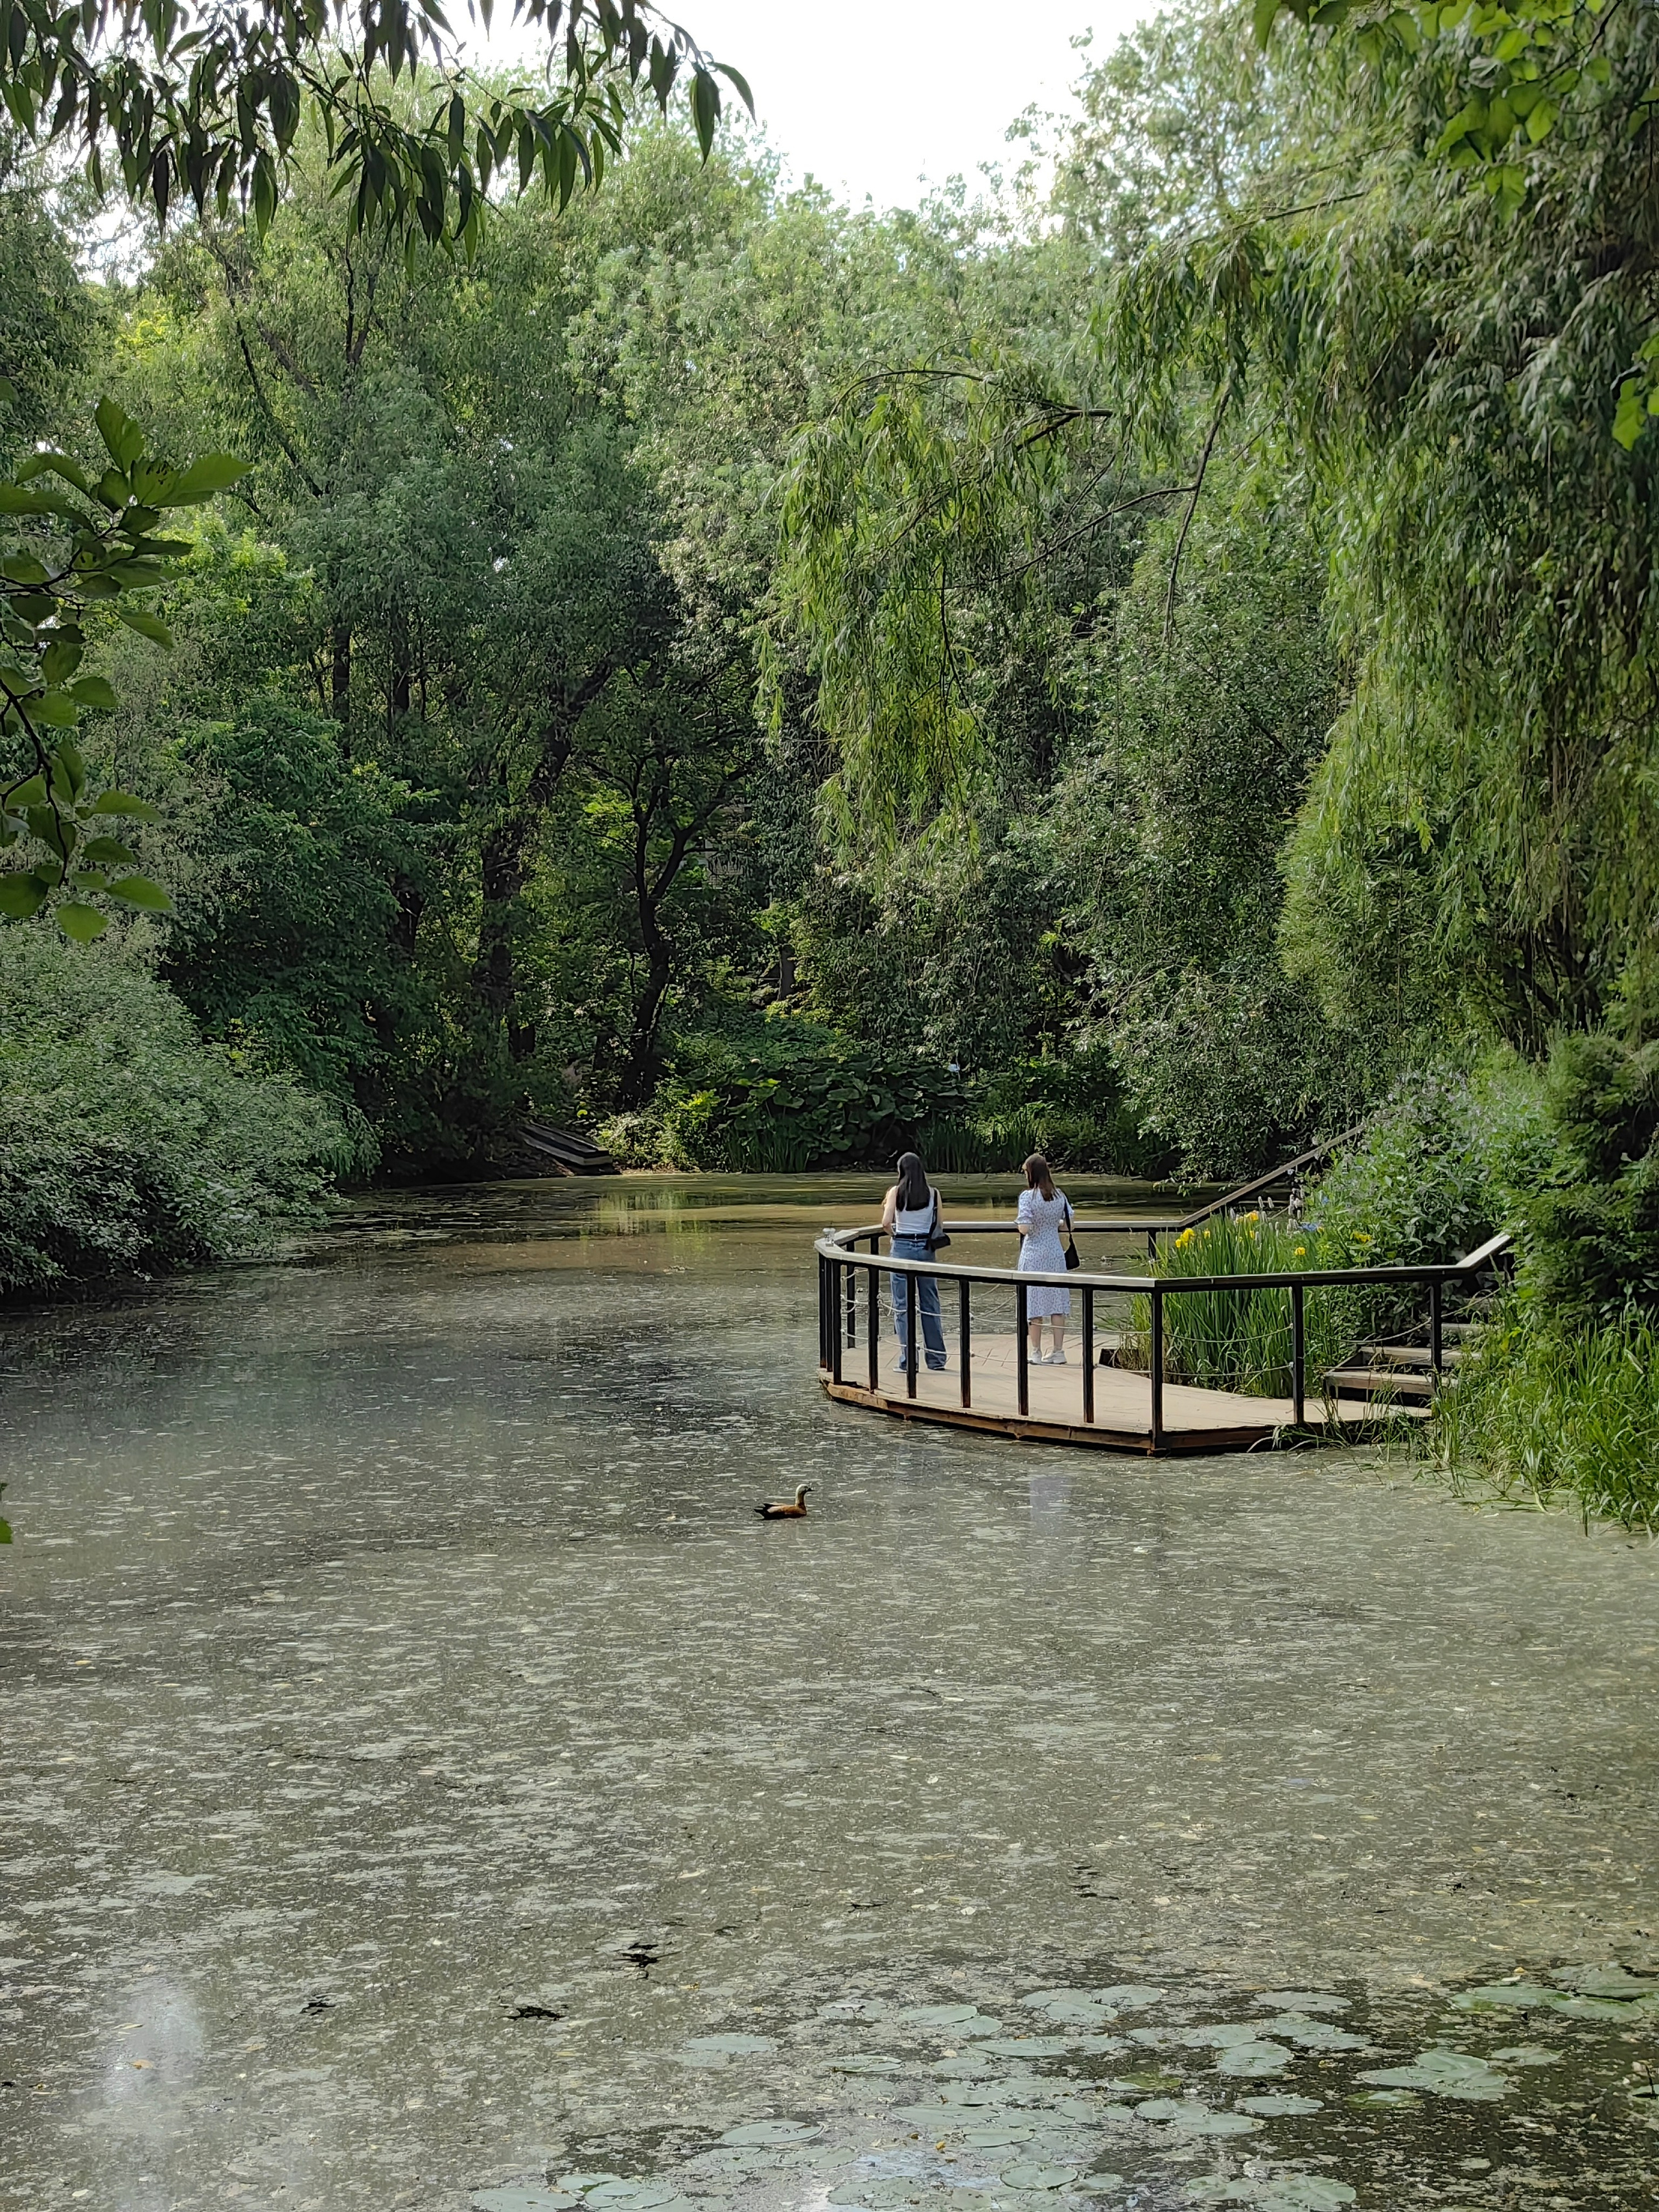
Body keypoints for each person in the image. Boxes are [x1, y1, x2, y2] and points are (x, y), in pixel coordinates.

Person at [881, 1150, 947, 1373]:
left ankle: (908, 1361)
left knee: (903, 1306)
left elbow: (886, 1223)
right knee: (930, 1304)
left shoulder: (896, 1192)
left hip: (902, 1248)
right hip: (926, 1249)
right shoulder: (934, 1193)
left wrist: (896, 1235)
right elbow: (939, 1224)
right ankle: (936, 1360)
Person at [1016, 1151, 1073, 1364]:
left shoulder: (1027, 1197)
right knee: (1057, 1301)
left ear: (1032, 1173)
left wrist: (1024, 1225)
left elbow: (1025, 1228)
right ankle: (1058, 1351)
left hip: (1033, 1254)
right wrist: (1053, 1224)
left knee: (1034, 1301)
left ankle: (1036, 1352)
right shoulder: (1059, 1196)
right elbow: (1069, 1224)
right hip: (1055, 1253)